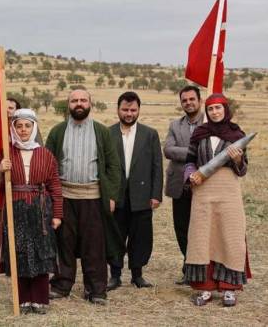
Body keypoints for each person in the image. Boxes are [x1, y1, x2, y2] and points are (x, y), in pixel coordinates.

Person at [46, 88, 122, 305]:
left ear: (90, 103)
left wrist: (112, 196)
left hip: (93, 196)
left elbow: (114, 166)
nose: (78, 104)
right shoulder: (57, 131)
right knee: (64, 243)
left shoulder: (102, 131)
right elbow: (48, 164)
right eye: (74, 101)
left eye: (83, 100)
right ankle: (62, 284)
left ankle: (97, 289)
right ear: (67, 104)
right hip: (64, 196)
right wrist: (50, 196)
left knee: (94, 246)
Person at [0, 109, 62, 314]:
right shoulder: (6, 153)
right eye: (19, 126)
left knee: (41, 253)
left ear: (34, 127)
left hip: (40, 210)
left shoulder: (46, 154)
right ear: (13, 128)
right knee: (20, 253)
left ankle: (40, 299)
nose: (23, 130)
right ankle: (23, 299)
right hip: (15, 208)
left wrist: (57, 214)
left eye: (27, 126)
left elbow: (55, 186)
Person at [184, 93, 250, 307]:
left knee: (229, 236)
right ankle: (205, 289)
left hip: (228, 192)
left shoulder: (237, 134)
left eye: (218, 108)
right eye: (211, 109)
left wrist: (238, 158)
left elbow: (242, 170)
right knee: (203, 238)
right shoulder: (199, 134)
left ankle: (229, 289)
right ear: (207, 111)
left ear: (225, 110)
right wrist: (191, 175)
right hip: (203, 192)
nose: (214, 112)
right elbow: (189, 161)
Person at [107, 92, 163, 290]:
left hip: (142, 196)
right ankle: (114, 275)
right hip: (117, 196)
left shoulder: (150, 134)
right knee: (115, 236)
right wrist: (108, 196)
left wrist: (156, 194)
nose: (129, 113)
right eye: (125, 109)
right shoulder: (108, 133)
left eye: (133, 110)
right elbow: (104, 168)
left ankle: (137, 275)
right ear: (118, 109)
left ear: (139, 110)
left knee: (140, 237)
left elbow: (157, 166)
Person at [163, 85, 204, 285]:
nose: (188, 103)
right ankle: (188, 267)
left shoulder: (209, 122)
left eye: (191, 99)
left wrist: (186, 152)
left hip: (203, 185)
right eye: (184, 100)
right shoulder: (175, 125)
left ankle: (201, 270)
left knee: (201, 228)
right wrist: (195, 152)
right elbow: (168, 150)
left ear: (199, 100)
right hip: (179, 184)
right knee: (181, 228)